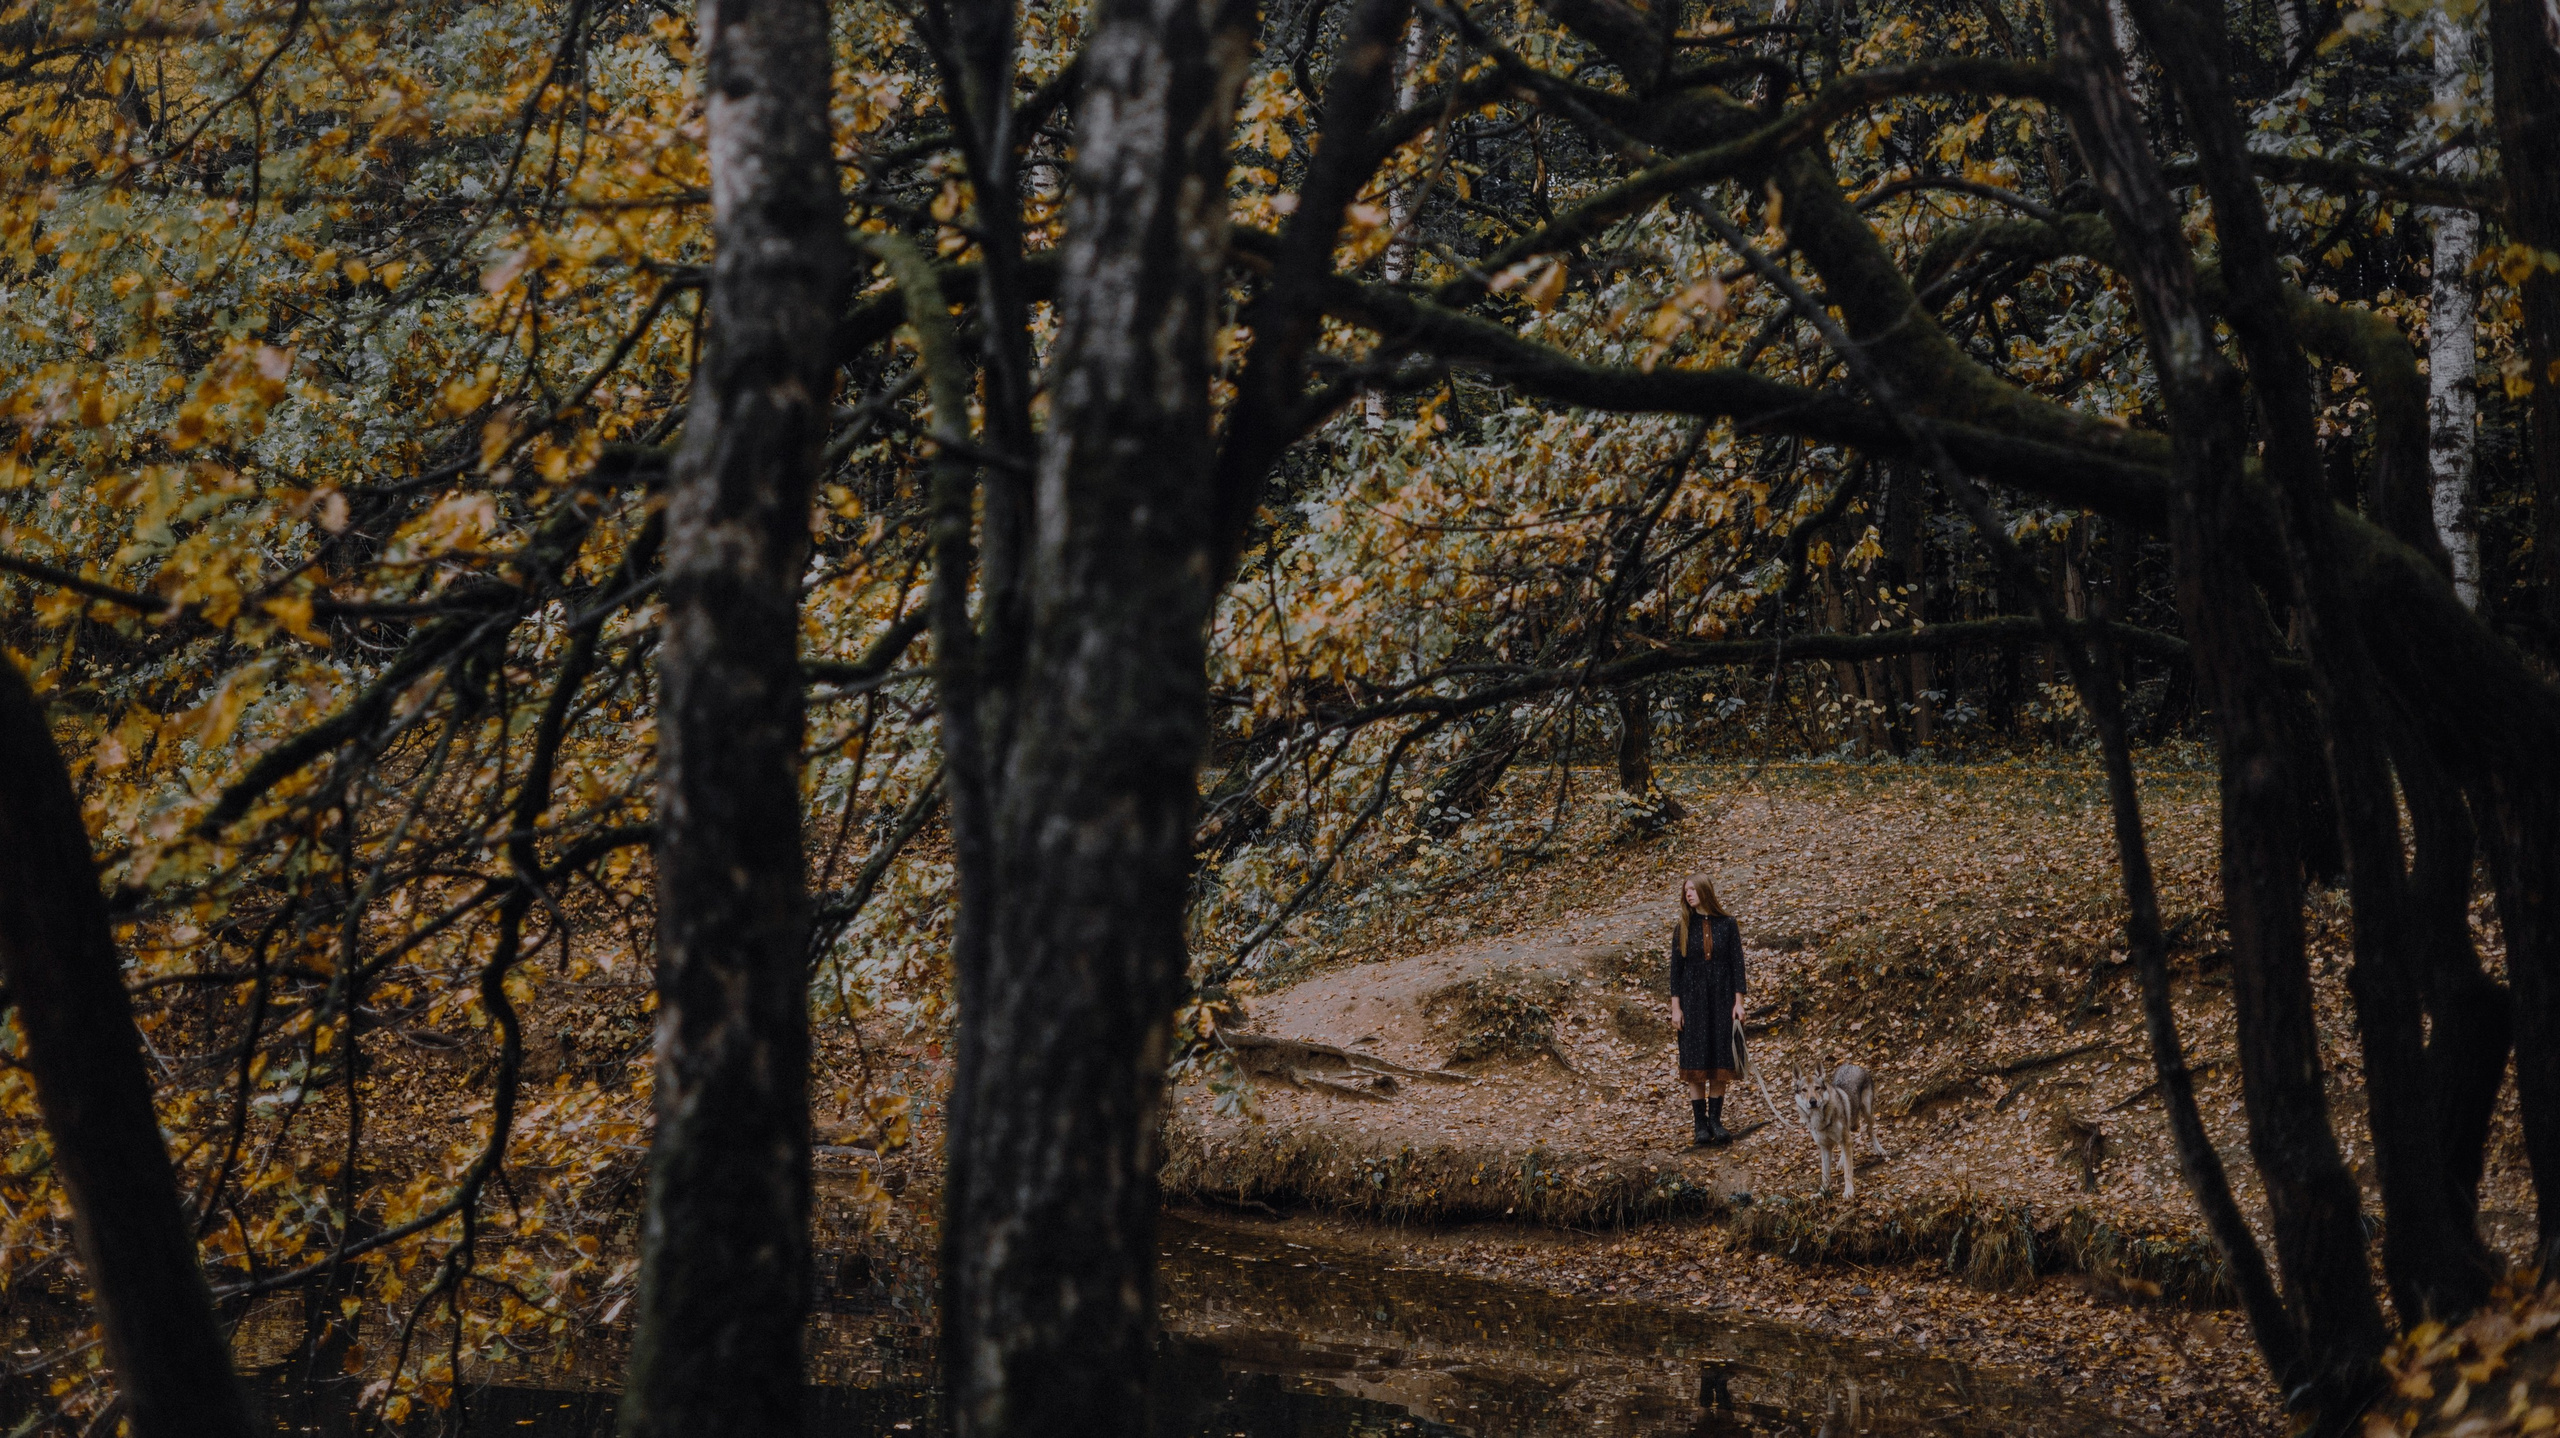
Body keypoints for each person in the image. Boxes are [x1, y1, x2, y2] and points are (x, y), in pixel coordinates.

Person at [1668, 873, 1746, 1146]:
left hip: (1723, 1001)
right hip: (1693, 1003)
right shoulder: (1683, 927)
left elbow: (1738, 965)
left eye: (1693, 889)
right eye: (1685, 890)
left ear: (1705, 891)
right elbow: (1675, 972)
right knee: (1696, 1062)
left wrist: (1739, 1003)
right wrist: (1676, 1009)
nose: (1688, 894)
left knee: (1720, 1061)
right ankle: (1700, 1124)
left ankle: (1716, 1119)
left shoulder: (1728, 925)